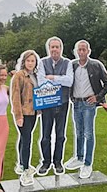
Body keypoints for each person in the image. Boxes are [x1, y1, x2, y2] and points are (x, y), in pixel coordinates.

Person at [64, 40, 107, 179]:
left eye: (84, 49)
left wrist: (98, 97)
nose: (82, 52)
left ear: (88, 51)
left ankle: (88, 164)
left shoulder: (96, 65)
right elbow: (65, 80)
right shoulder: (72, 65)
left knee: (88, 133)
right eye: (79, 50)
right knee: (78, 132)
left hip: (89, 104)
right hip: (76, 103)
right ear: (76, 51)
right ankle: (78, 158)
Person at [36, 36, 74, 176]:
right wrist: (59, 80)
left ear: (61, 48)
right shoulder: (42, 62)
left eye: (57, 47)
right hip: (47, 103)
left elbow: (69, 81)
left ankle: (58, 161)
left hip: (63, 103)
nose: (55, 49)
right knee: (46, 135)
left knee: (60, 135)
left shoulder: (67, 63)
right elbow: (41, 82)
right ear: (49, 48)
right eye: (52, 47)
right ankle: (46, 162)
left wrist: (52, 77)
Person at [10, 50, 40, 186]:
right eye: (28, 60)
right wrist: (18, 116)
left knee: (24, 138)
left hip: (33, 113)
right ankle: (26, 170)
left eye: (33, 61)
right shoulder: (19, 76)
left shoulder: (35, 75)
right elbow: (15, 97)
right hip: (24, 113)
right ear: (24, 62)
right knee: (27, 140)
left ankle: (21, 164)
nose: (30, 63)